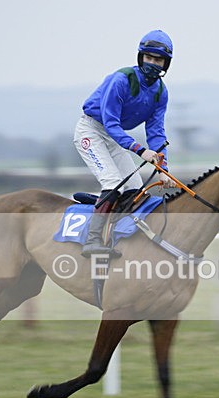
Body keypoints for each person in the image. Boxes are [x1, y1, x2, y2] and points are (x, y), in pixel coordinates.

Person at [74, 29, 176, 257]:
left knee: (134, 189)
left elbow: (156, 133)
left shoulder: (160, 92)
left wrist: (163, 169)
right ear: (141, 57)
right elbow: (111, 124)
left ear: (165, 64)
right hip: (91, 131)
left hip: (113, 138)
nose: (152, 63)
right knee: (112, 181)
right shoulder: (121, 80)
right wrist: (141, 151)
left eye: (157, 59)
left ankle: (115, 231)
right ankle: (92, 241)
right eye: (148, 57)